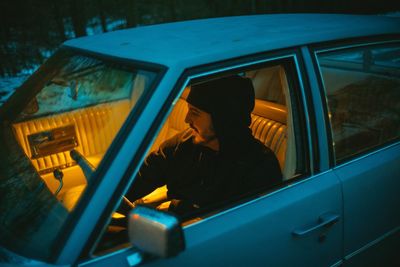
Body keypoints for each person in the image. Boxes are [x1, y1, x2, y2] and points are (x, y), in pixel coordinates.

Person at [123, 75, 282, 217]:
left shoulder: (259, 166)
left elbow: (231, 220)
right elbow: (144, 175)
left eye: (195, 112)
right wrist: (111, 195)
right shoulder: (184, 142)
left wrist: (177, 207)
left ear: (224, 119)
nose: (186, 119)